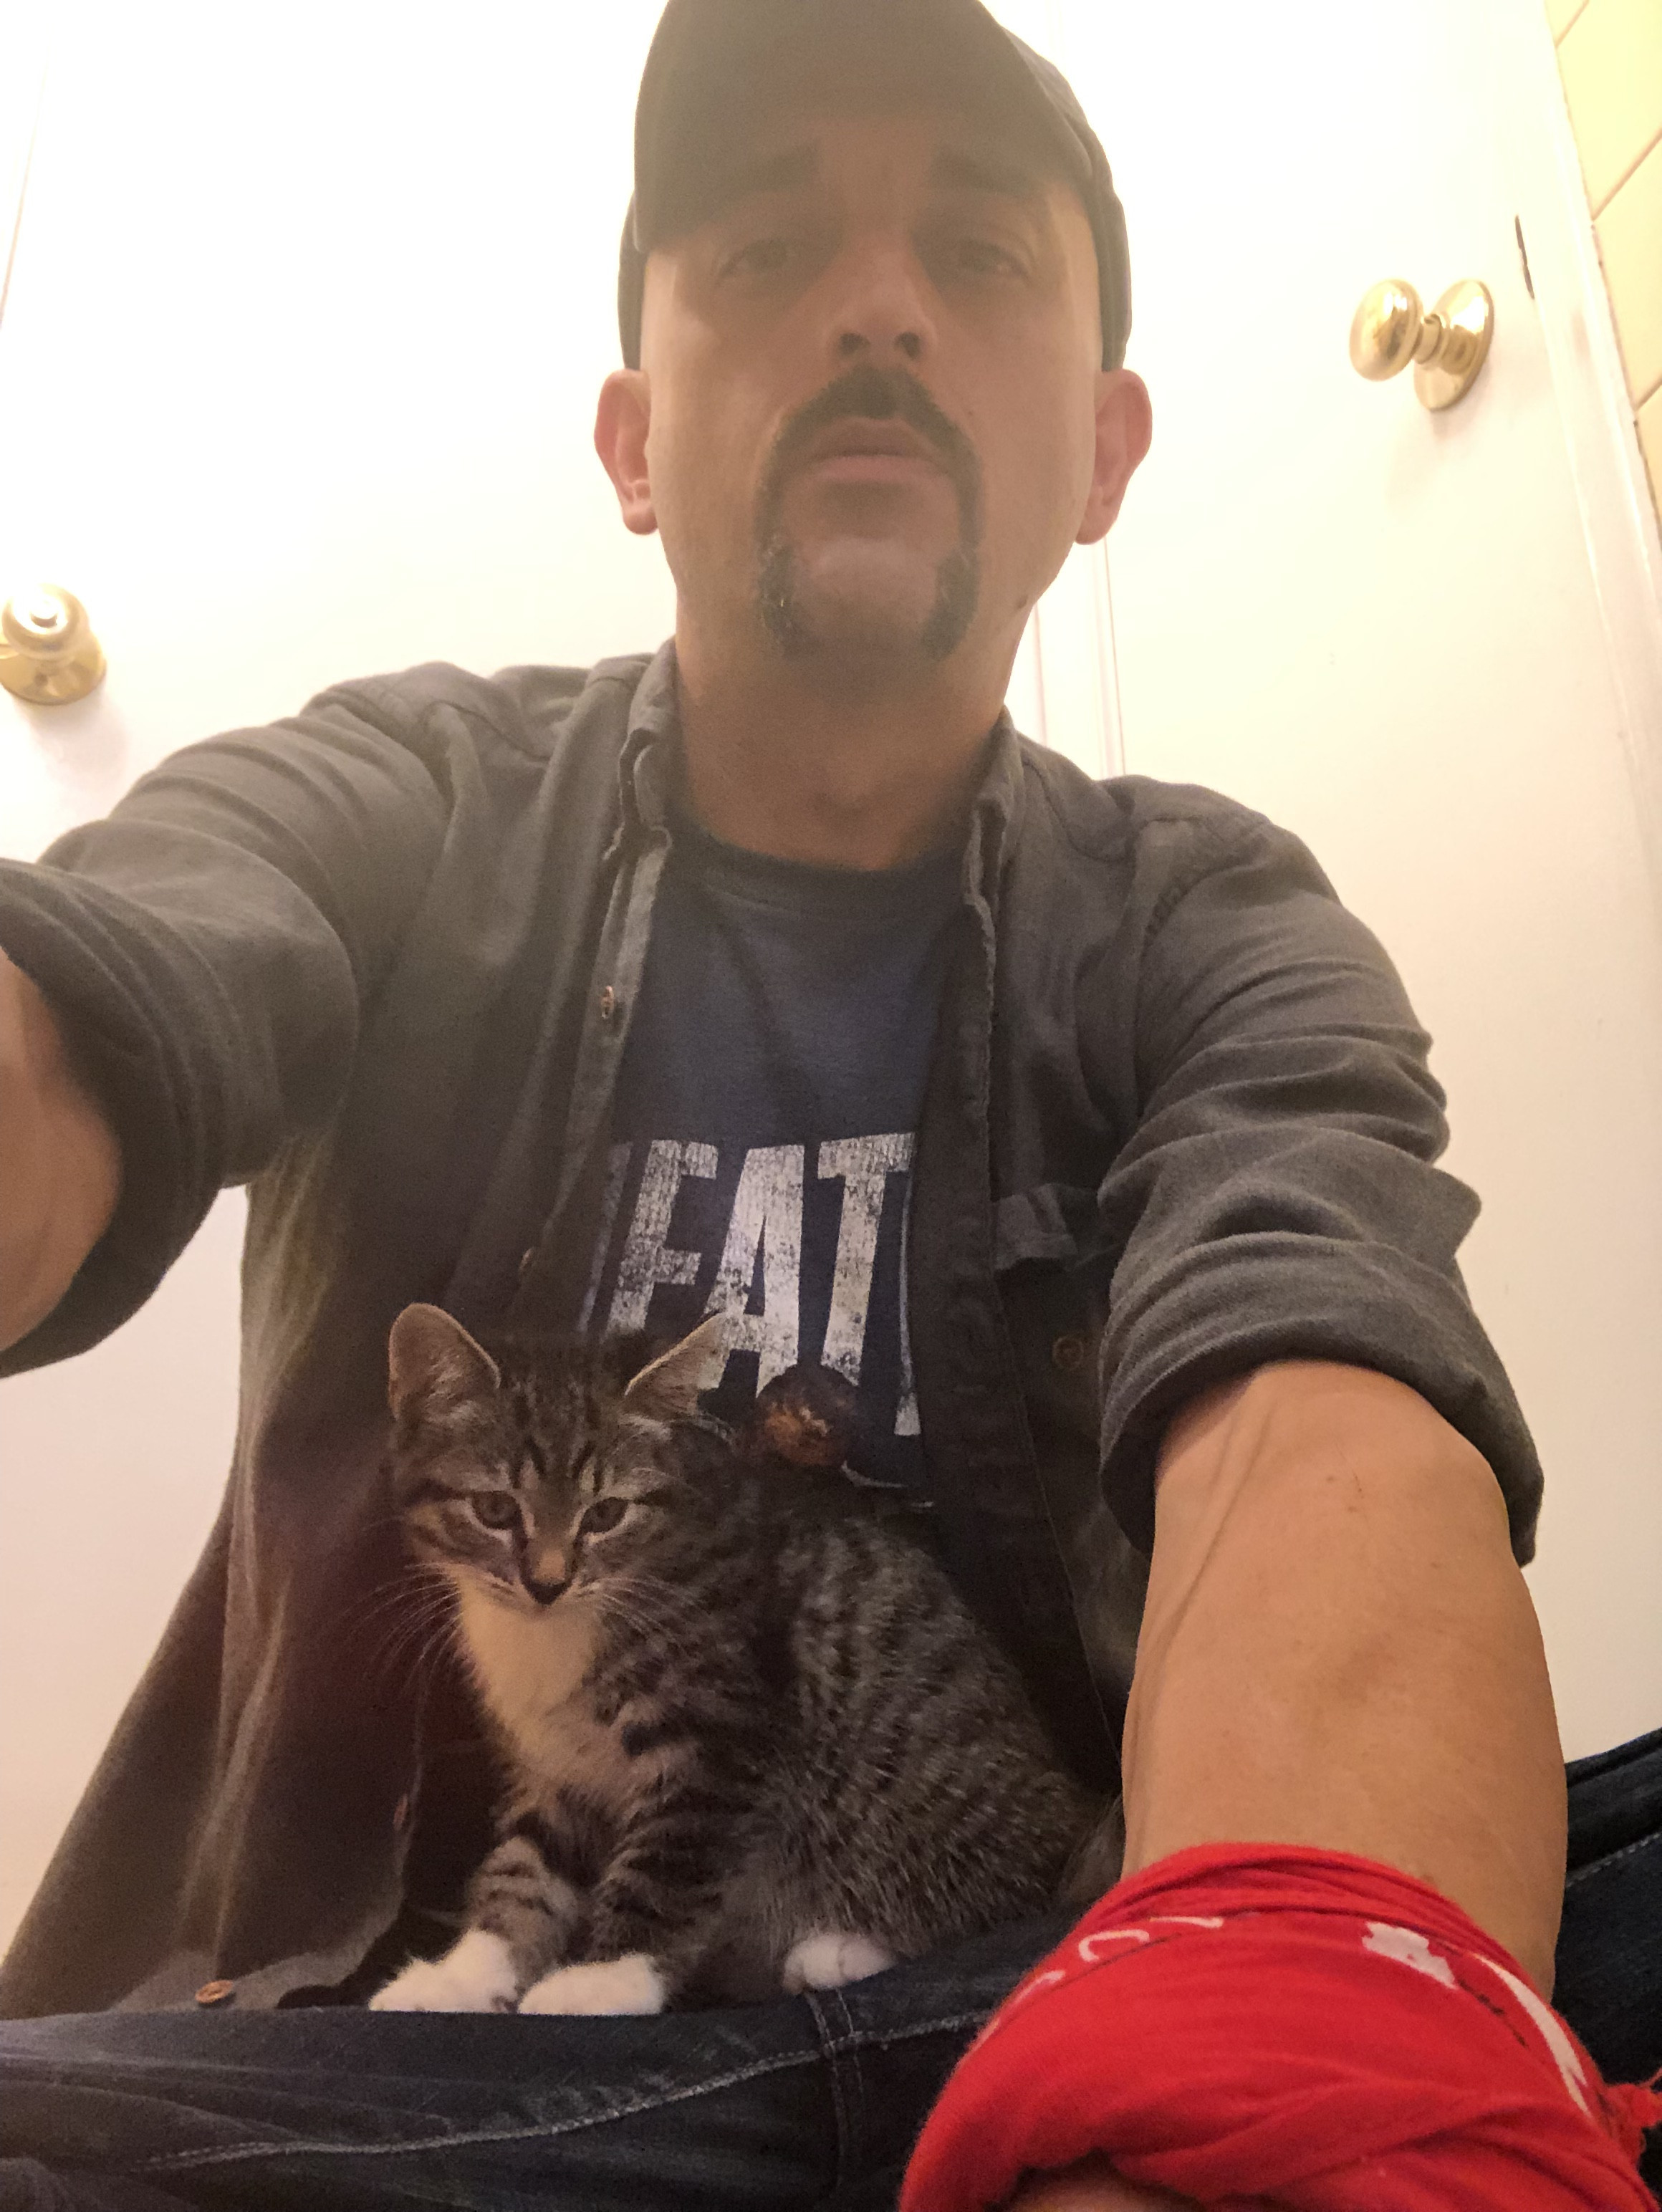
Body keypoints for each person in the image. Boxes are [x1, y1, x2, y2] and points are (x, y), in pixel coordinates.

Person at [0, 1, 1656, 2206]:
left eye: (978, 255)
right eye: (768, 248)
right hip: (384, 2078)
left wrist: (1250, 2081)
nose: (877, 305)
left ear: (1106, 449)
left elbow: (1321, 1414)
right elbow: (101, 993)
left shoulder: (1206, 915)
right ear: (633, 442)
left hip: (1030, 1979)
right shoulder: (406, 791)